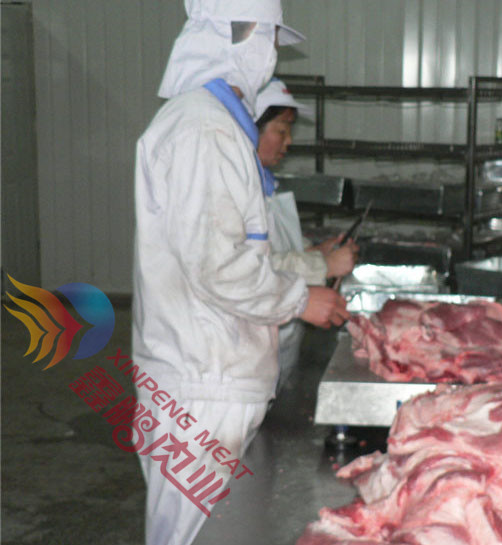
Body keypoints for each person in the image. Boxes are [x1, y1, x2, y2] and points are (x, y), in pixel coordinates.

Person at [131, 1, 349, 544]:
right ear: (241, 36)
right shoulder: (203, 129)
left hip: (211, 377)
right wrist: (301, 299)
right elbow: (219, 265)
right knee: (193, 536)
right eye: (268, 39)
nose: (270, 53)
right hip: (201, 384)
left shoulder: (215, 124)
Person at [253, 78, 359, 390]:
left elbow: (277, 246)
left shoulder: (265, 183)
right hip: (251, 350)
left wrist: (317, 251)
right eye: (281, 131)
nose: (288, 142)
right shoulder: (235, 192)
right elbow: (251, 268)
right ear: (249, 130)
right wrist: (324, 266)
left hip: (280, 345)